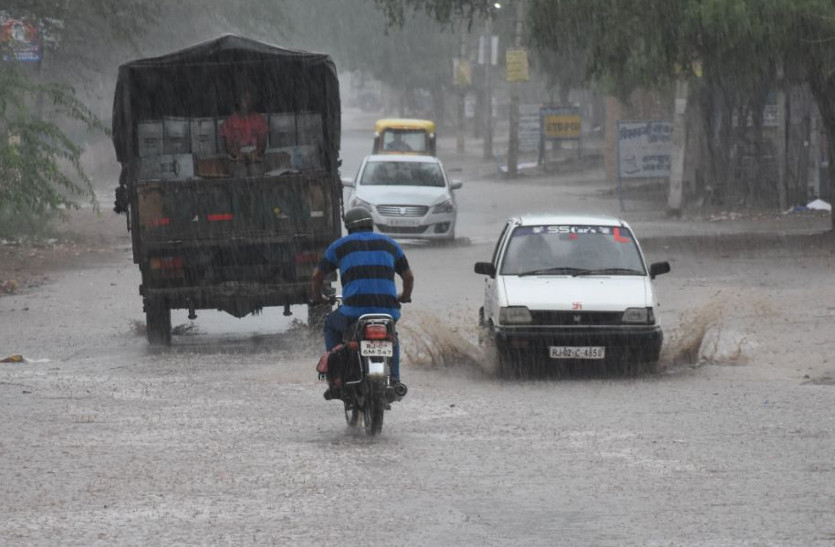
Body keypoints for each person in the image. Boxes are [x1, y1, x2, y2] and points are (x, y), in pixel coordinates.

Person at [311, 207, 414, 397]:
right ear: (371, 223)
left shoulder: (340, 246)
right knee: (392, 337)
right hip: (387, 311)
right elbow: (408, 276)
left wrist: (318, 298)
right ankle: (395, 380)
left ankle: (336, 378)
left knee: (330, 325)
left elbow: (318, 275)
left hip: (353, 312)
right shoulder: (390, 244)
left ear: (348, 227)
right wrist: (405, 296)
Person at [219, 87, 268, 177]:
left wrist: (256, 153)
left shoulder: (260, 120)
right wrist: (237, 154)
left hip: (256, 159)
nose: (248, 102)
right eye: (245, 99)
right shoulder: (229, 122)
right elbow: (228, 146)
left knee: (256, 172)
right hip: (236, 160)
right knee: (240, 174)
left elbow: (262, 144)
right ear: (238, 101)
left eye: (250, 99)